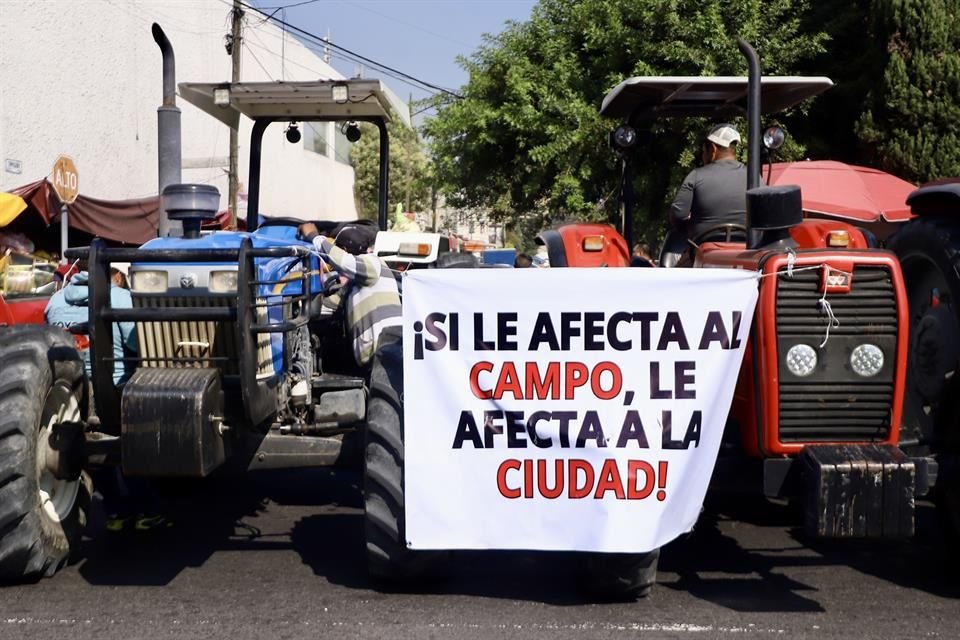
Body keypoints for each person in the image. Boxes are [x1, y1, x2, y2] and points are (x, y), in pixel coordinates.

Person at [298, 222, 402, 368]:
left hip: (389, 351)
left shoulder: (373, 265)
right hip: (374, 361)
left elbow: (344, 261)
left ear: (345, 250)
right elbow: (322, 308)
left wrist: (314, 236)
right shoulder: (352, 287)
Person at [45, 262, 138, 385]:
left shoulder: (55, 300)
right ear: (119, 276)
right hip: (117, 385)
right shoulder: (123, 297)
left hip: (69, 386)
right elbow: (136, 346)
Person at [669, 123, 748, 245]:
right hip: (747, 251)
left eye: (703, 151)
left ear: (713, 149)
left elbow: (678, 215)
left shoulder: (696, 176)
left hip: (703, 251)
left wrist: (689, 227)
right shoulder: (754, 177)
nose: (703, 156)